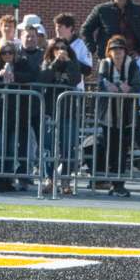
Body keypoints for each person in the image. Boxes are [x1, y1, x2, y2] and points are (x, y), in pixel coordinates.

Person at [96, 35, 140, 197]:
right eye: (114, 49)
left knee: (123, 150)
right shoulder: (104, 64)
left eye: (120, 49)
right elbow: (101, 83)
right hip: (108, 115)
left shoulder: (132, 65)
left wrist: (127, 89)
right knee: (109, 148)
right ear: (109, 52)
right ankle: (109, 181)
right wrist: (111, 86)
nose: (118, 52)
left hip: (127, 116)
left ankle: (119, 184)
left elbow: (138, 85)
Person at [0, 42, 35, 193]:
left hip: (17, 116)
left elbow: (33, 75)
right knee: (0, 149)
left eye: (10, 53)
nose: (7, 55)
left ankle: (9, 179)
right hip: (0, 116)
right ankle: (1, 181)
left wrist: (15, 77)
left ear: (14, 54)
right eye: (4, 53)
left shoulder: (22, 64)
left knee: (12, 149)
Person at [38, 38, 81, 195]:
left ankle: (65, 180)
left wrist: (68, 62)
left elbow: (76, 79)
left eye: (63, 48)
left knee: (68, 148)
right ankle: (49, 179)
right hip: (50, 111)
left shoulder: (73, 63)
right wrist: (56, 62)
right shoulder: (47, 63)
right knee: (48, 148)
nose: (60, 50)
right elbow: (43, 78)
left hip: (68, 112)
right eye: (57, 48)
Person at [54, 13, 94, 87]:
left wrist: (70, 59)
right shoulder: (53, 45)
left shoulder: (82, 45)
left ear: (69, 27)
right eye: (56, 27)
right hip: (56, 90)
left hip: (75, 92)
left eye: (60, 26)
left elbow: (87, 71)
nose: (57, 29)